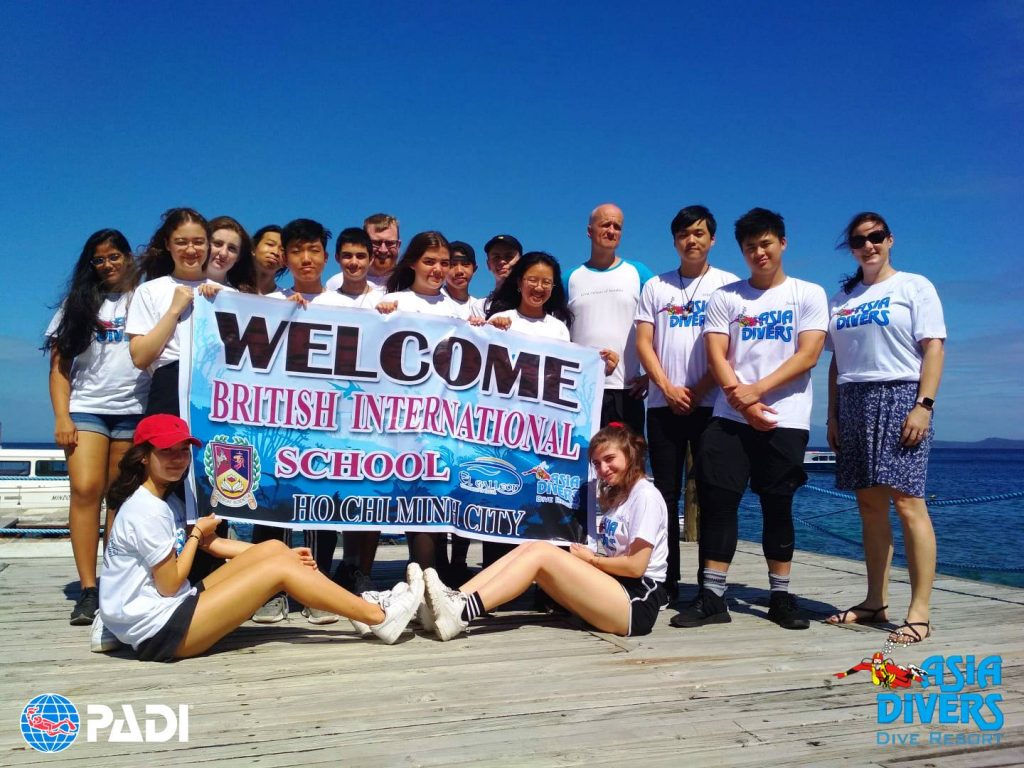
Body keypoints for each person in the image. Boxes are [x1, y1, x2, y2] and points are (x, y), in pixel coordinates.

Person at [95, 414, 422, 660]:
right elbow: (169, 583)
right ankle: (378, 617)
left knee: (276, 548)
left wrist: (283, 556)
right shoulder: (147, 510)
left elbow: (212, 544)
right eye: (167, 451)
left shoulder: (164, 499)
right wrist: (195, 535)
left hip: (168, 610)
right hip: (160, 631)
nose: (178, 459)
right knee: (278, 569)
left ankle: (359, 609)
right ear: (143, 456)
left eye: (183, 450)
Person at [670, 208, 827, 631]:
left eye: (766, 244)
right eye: (750, 246)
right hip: (730, 417)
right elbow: (717, 354)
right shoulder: (727, 297)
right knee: (719, 503)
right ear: (741, 250)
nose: (759, 252)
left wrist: (756, 392)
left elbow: (809, 354)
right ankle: (712, 597)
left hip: (785, 418)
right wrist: (743, 403)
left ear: (782, 243)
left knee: (778, 505)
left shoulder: (808, 294)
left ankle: (780, 597)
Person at [421, 424, 668, 640]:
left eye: (609, 459)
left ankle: (462, 613)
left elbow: (636, 567)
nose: (603, 468)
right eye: (596, 463)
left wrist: (592, 560)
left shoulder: (645, 496)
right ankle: (454, 599)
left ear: (630, 454)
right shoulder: (620, 496)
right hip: (619, 589)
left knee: (541, 552)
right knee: (530, 547)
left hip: (638, 602)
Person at [824, 212, 945, 646]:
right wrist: (832, 415)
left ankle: (920, 612)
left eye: (875, 237)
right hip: (854, 399)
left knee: (909, 502)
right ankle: (875, 601)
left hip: (901, 396)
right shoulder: (842, 298)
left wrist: (923, 406)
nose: (868, 245)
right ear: (851, 248)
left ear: (889, 239)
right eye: (859, 240)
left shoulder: (914, 286)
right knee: (870, 506)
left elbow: (934, 348)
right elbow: (836, 361)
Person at [635, 206, 739, 604]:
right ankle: (666, 581)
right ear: (674, 240)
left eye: (698, 233)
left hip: (713, 406)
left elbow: (730, 348)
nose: (691, 240)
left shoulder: (729, 286)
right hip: (663, 406)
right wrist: (666, 387)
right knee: (664, 496)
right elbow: (644, 343)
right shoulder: (656, 286)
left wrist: (697, 388)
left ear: (712, 239)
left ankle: (708, 586)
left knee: (713, 493)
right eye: (683, 234)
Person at [45, 229, 148, 625]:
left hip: (134, 409)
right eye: (99, 259)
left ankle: (114, 583)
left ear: (128, 257)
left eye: (114, 256)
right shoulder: (77, 304)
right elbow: (59, 366)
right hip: (87, 409)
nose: (107, 264)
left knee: (120, 500)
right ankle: (88, 589)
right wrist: (62, 416)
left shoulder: (145, 297)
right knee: (86, 490)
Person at [255, 218, 347, 624]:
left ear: (326, 258)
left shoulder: (346, 306)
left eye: (313, 251)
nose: (305, 259)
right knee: (272, 503)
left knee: (320, 505)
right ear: (284, 258)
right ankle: (270, 590)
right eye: (296, 251)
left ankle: (316, 589)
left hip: (329, 425)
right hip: (277, 422)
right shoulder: (266, 302)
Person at [566, 204, 652, 434]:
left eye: (617, 226)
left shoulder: (639, 273)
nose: (612, 231)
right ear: (589, 231)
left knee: (628, 456)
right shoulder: (569, 278)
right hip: (579, 392)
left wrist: (651, 376)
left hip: (627, 390)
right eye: (605, 224)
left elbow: (662, 325)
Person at [127, 208, 210, 417]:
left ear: (208, 244)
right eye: (181, 242)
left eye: (198, 242)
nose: (191, 249)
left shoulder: (227, 294)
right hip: (168, 384)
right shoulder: (148, 291)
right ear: (167, 244)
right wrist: (174, 311)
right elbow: (140, 357)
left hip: (216, 386)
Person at [486, 251, 572, 341]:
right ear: (519, 282)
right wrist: (491, 328)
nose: (539, 288)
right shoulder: (499, 321)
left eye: (546, 282)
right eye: (532, 280)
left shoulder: (559, 328)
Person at [326, 213, 400, 291]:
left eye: (390, 243)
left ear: (398, 245)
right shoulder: (336, 283)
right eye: (376, 243)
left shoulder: (407, 282)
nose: (383, 250)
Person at [205, 216, 256, 292]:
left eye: (232, 248)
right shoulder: (185, 286)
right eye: (218, 244)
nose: (223, 253)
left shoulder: (242, 296)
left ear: (239, 257)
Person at [444, 240, 485, 320]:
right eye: (452, 265)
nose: (459, 271)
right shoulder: (434, 300)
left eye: (465, 264)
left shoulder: (478, 308)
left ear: (474, 269)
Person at [250, 225, 285, 295]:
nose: (275, 252)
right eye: (270, 244)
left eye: (282, 249)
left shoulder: (288, 298)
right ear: (253, 248)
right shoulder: (230, 290)